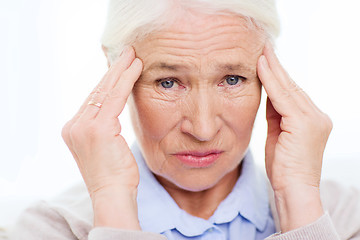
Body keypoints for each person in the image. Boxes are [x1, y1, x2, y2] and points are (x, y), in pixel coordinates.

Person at [7, 0, 360, 239]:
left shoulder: (345, 218)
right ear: (114, 73)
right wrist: (112, 203)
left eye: (232, 79)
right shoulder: (46, 229)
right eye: (168, 81)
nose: (203, 129)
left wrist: (297, 201)